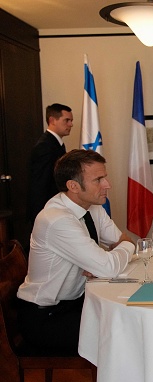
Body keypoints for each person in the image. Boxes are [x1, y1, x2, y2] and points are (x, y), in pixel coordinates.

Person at [17, 149, 135, 355]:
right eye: (98, 179)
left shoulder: (92, 207)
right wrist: (112, 256)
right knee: (125, 332)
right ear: (73, 186)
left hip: (77, 304)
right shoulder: (57, 219)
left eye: (104, 177)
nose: (108, 185)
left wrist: (109, 257)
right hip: (46, 318)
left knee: (129, 317)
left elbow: (121, 241)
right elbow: (110, 264)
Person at [27, 103, 73, 223]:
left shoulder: (56, 144)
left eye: (71, 121)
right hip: (47, 209)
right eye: (67, 120)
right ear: (52, 120)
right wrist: (42, 214)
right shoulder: (45, 146)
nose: (71, 124)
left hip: (55, 207)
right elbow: (40, 184)